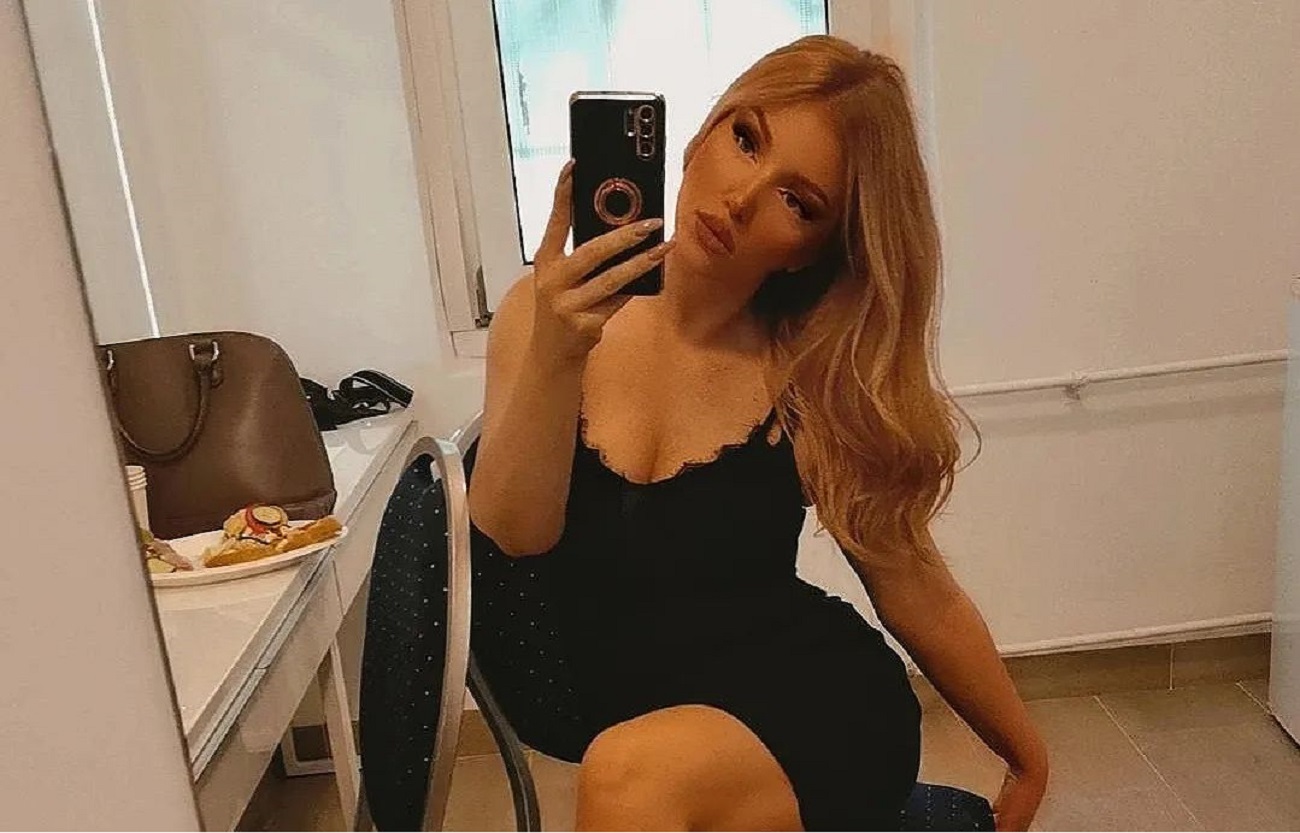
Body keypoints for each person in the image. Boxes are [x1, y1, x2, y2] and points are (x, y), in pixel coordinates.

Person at [468, 34, 1048, 831]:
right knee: (631, 768)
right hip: (630, 717)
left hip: (805, 704)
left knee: (629, 775)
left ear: (815, 249)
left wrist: (1027, 756)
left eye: (798, 201)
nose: (741, 196)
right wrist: (557, 355)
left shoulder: (805, 372)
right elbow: (514, 530)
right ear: (702, 132)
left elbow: (914, 586)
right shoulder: (542, 315)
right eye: (746, 138)